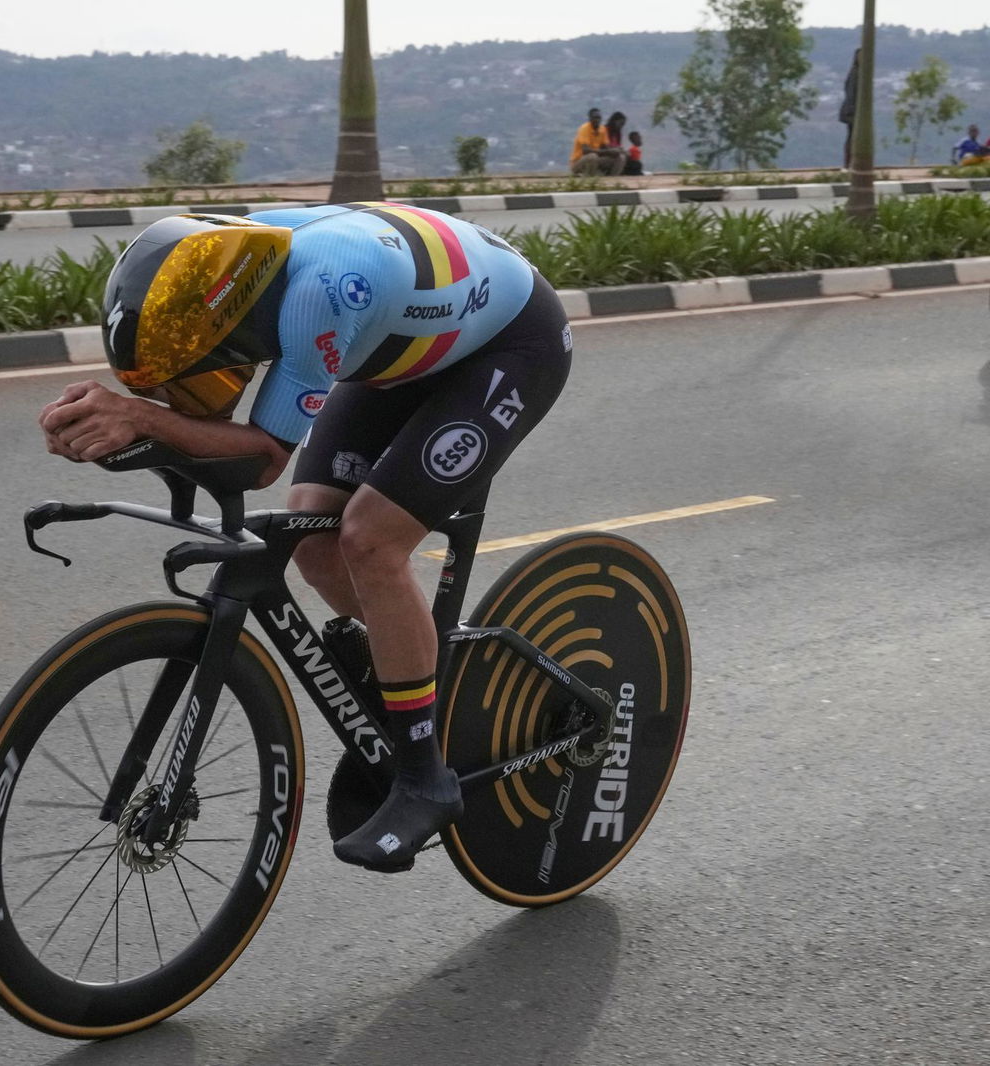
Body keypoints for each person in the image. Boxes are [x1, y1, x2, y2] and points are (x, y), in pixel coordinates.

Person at [39, 203, 573, 872]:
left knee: (371, 542)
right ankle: (409, 666)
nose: (194, 386)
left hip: (511, 347)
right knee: (314, 538)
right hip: (402, 347)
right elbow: (202, 426)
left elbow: (261, 458)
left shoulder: (314, 298)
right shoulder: (231, 263)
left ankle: (423, 777)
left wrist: (141, 419)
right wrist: (130, 426)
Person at [570, 107, 625, 176]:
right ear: (590, 118)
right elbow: (585, 151)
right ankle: (588, 178)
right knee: (592, 156)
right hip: (579, 161)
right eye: (595, 118)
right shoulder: (584, 129)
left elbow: (606, 148)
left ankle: (612, 179)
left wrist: (615, 151)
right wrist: (608, 151)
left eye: (599, 118)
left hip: (595, 160)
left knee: (620, 157)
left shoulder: (602, 129)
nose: (597, 120)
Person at [839, 48, 860, 169]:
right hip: (852, 111)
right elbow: (851, 93)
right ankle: (849, 163)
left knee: (852, 137)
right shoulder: (855, 73)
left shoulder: (859, 73)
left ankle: (852, 163)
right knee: (852, 137)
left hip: (854, 110)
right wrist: (852, 110)